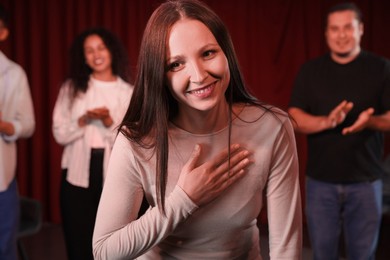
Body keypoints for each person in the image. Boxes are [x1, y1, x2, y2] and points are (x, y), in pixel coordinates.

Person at [93, 0, 302, 259]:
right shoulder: (137, 140)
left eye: (208, 53)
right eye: (176, 64)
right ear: (160, 74)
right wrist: (184, 199)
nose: (199, 75)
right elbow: (104, 251)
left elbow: (286, 246)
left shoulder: (273, 127)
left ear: (227, 52)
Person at [288, 2, 390, 260]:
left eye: (348, 27)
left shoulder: (382, 68)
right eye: (334, 29)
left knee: (363, 255)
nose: (341, 35)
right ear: (326, 33)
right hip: (321, 183)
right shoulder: (310, 71)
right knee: (323, 255)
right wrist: (327, 122)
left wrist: (371, 122)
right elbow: (295, 118)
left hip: (366, 183)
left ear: (361, 29)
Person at [52, 27, 134, 260]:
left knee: (113, 242)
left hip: (115, 176)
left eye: (101, 48)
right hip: (76, 175)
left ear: (111, 51)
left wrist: (108, 121)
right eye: (89, 51)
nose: (96, 54)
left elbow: (132, 141)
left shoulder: (128, 92)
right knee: (78, 240)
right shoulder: (71, 89)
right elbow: (59, 134)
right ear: (83, 57)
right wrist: (83, 120)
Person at [0, 4, 35, 260]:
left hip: (2, 180)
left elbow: (28, 124)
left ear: (3, 33)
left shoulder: (13, 73)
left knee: (5, 249)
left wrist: (3, 125)